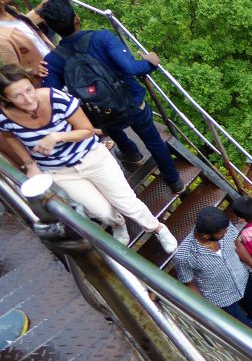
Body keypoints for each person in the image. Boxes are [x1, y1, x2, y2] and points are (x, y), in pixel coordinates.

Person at [0, 66, 178, 251]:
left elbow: (87, 130)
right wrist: (30, 164)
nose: (28, 99)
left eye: (29, 90)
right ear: (6, 99)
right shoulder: (5, 116)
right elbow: (10, 137)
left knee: (125, 202)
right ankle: (118, 224)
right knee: (99, 211)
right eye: (17, 96)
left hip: (91, 157)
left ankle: (157, 228)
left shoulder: (55, 99)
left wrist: (56, 137)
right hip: (60, 171)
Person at [38, 0, 185, 193]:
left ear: (52, 28)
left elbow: (52, 96)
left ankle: (131, 153)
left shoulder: (52, 61)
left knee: (108, 118)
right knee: (154, 142)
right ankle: (174, 181)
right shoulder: (101, 38)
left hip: (100, 112)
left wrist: (34, 74)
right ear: (76, 18)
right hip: (132, 102)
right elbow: (131, 68)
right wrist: (151, 63)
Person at [174, 207, 252, 334]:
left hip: (243, 281)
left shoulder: (224, 227)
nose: (226, 234)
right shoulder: (184, 256)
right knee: (245, 329)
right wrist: (205, 310)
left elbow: (237, 245)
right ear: (205, 235)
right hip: (220, 298)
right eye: (221, 234)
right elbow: (189, 283)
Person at [0, 0, 55, 77]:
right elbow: (11, 70)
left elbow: (25, 24)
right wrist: (32, 71)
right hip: (43, 78)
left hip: (53, 62)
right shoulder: (2, 37)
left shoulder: (10, 10)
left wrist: (45, 3)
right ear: (1, 0)